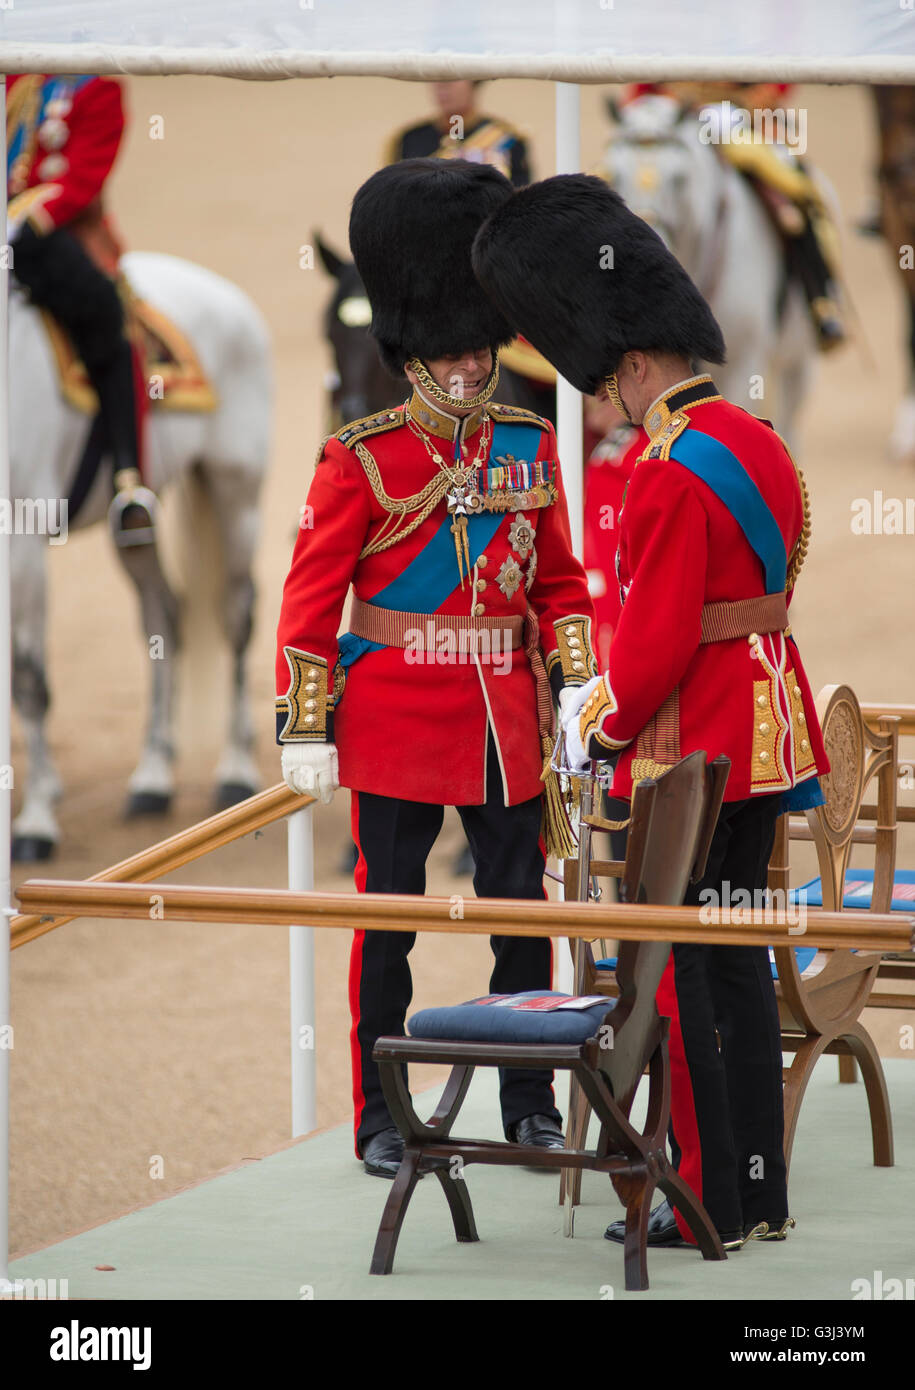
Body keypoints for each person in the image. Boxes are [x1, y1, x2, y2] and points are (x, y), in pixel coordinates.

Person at [472, 174, 829, 1247]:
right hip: (770, 732)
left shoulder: (665, 473)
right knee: (739, 967)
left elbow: (661, 636)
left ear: (633, 365)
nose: (600, 407)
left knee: (678, 978)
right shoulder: (759, 438)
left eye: (601, 387)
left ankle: (708, 1192)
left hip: (698, 749)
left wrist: (599, 723)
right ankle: (760, 1192)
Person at [275, 159, 598, 1178]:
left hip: (505, 721)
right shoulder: (360, 458)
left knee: (517, 915)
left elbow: (559, 583)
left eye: (477, 349)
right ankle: (382, 1112)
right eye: (447, 353)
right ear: (412, 352)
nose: (465, 368)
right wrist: (305, 723)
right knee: (392, 921)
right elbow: (310, 600)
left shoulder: (527, 444)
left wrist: (580, 675)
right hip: (395, 720)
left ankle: (528, 1100)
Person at [6, 72, 156, 544]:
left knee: (106, 320)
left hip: (58, 231)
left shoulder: (96, 85)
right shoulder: (16, 75)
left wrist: (23, 221)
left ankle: (128, 480)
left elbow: (86, 174)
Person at [385, 80, 531, 186]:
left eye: (452, 79)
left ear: (474, 83)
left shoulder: (506, 137)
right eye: (436, 78)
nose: (442, 86)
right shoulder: (411, 139)